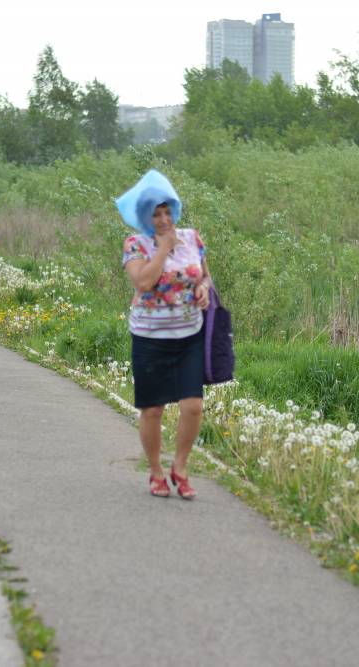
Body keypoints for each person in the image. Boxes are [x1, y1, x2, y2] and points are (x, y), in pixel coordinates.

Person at [118, 170, 213, 499]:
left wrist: (202, 288)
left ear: (174, 209)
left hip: (188, 336)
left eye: (166, 211)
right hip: (149, 337)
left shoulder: (192, 237)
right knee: (153, 409)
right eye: (155, 214)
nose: (162, 219)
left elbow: (205, 276)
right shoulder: (135, 243)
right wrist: (163, 250)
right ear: (145, 217)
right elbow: (143, 282)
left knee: (193, 405)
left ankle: (181, 467)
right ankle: (156, 471)